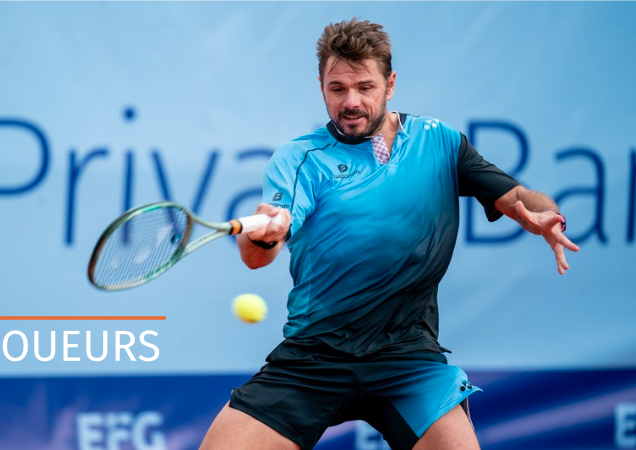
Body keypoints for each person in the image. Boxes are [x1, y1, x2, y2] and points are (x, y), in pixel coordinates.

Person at [200, 18, 579, 450]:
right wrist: (266, 234)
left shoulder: (439, 143)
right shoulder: (300, 158)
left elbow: (518, 198)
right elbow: (256, 256)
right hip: (315, 355)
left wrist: (545, 215)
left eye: (365, 87)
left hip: (408, 357)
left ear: (390, 84)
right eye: (337, 88)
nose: (351, 102)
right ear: (321, 87)